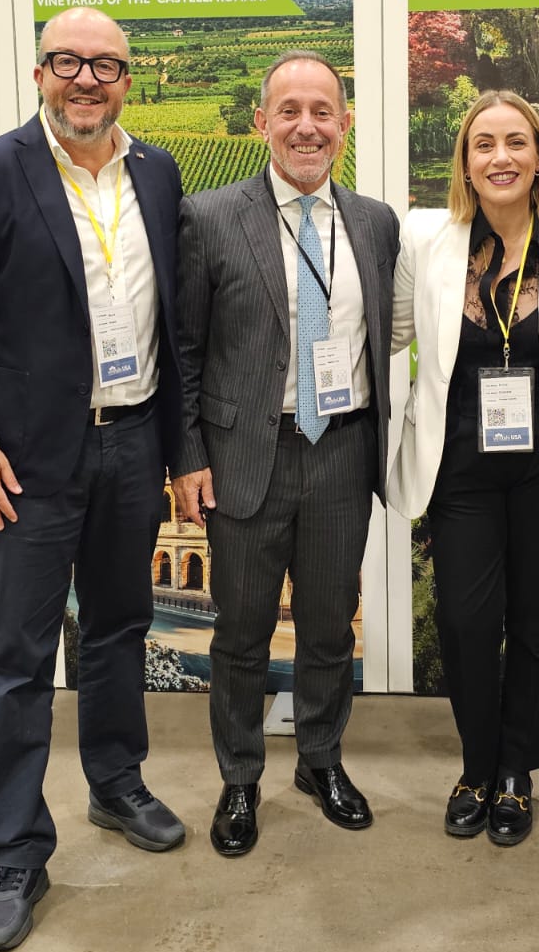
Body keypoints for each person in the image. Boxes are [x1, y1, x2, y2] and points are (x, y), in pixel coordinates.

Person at [0, 7, 187, 952]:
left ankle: (116, 783)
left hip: (132, 443)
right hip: (22, 466)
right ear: (39, 75)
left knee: (119, 627)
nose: (86, 79)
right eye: (68, 61)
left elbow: (171, 327)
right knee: (20, 660)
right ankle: (18, 853)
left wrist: (178, 450)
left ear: (127, 81)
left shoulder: (159, 174)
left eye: (105, 65)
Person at [171, 51, 400, 858]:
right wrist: (187, 456)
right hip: (245, 457)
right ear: (261, 122)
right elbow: (185, 349)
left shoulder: (375, 223)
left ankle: (320, 761)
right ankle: (240, 776)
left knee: (330, 626)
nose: (308, 127)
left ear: (345, 124)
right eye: (290, 111)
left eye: (323, 111)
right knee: (241, 631)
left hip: (343, 451)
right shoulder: (209, 218)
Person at [388, 91, 539, 845]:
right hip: (460, 466)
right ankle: (476, 765)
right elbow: (389, 329)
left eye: (517, 142)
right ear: (465, 162)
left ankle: (516, 771)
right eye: (483, 144)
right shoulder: (427, 237)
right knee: (465, 621)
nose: (501, 157)